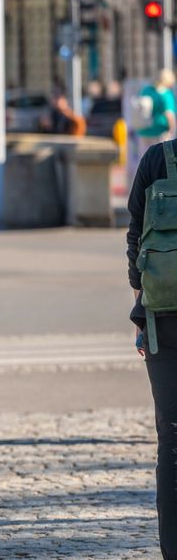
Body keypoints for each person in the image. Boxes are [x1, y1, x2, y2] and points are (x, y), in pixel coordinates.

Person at [127, 138, 177, 559]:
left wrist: (143, 299)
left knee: (173, 439)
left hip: (164, 315)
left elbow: (135, 233)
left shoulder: (158, 158)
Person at [140, 70, 177, 149]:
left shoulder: (147, 90)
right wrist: (172, 131)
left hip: (144, 130)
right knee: (160, 159)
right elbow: (169, 114)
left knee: (145, 158)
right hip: (160, 131)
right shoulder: (166, 94)